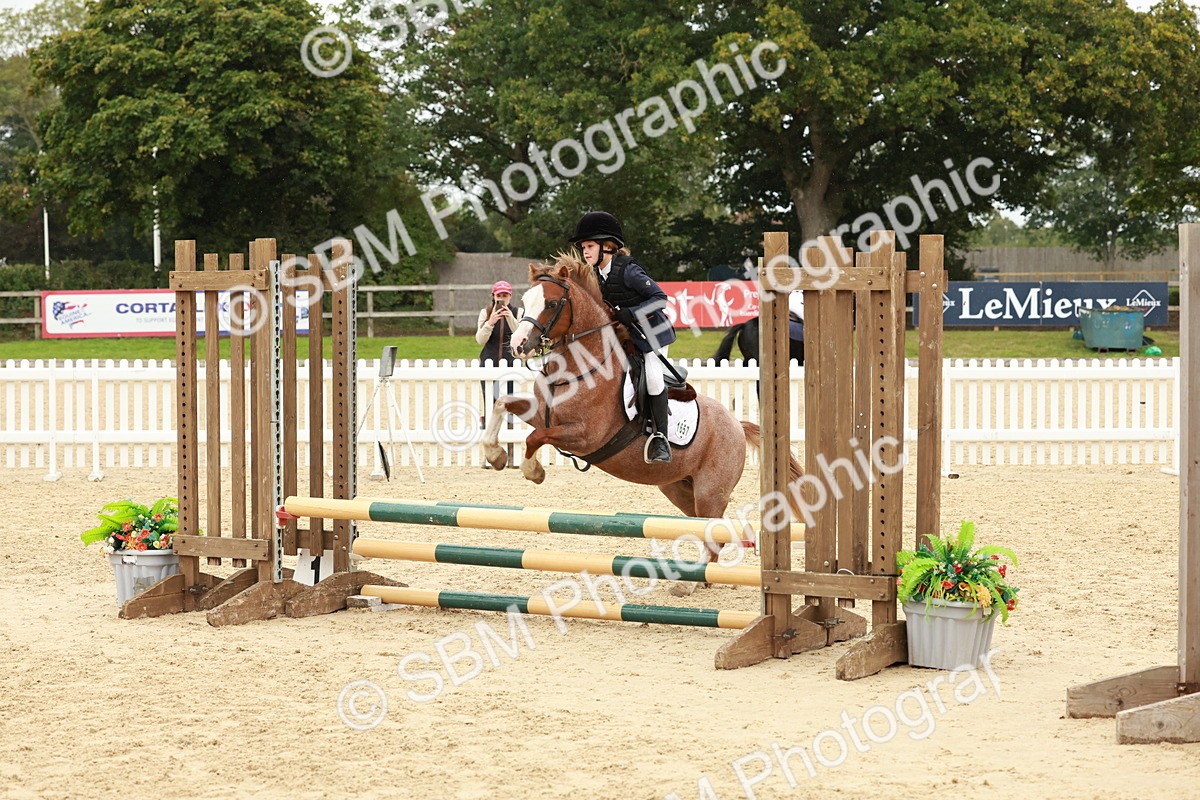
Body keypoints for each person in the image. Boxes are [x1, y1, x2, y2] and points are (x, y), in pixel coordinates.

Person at [569, 211, 676, 463]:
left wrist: (632, 313)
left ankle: (661, 438)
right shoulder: (597, 274)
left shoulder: (629, 271)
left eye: (589, 246)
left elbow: (660, 299)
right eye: (583, 247)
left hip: (652, 336)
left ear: (607, 246)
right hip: (626, 337)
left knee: (653, 378)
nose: (585, 252)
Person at [475, 280, 522, 467]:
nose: (502, 298)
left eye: (505, 295)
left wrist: (510, 317)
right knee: (490, 408)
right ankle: (489, 454)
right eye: (499, 295)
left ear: (510, 296)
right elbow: (480, 339)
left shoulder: (518, 312)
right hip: (489, 364)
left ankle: (512, 452)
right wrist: (490, 322)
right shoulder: (485, 312)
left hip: (511, 366)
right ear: (493, 296)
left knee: (511, 408)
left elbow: (522, 337)